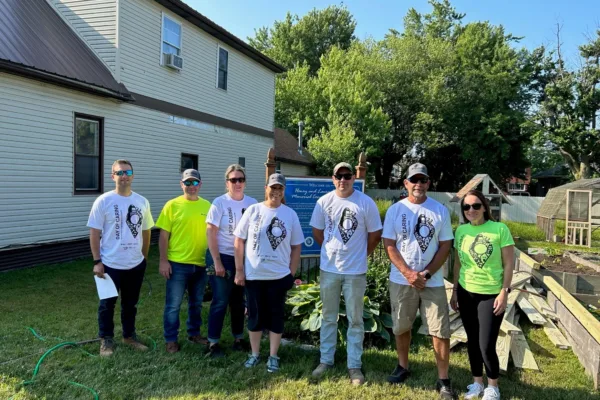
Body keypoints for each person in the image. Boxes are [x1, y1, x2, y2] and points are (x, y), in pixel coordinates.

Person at [382, 163, 455, 399]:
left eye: (423, 180)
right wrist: (408, 273)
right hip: (402, 280)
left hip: (431, 281)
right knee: (402, 326)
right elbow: (389, 244)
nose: (419, 185)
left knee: (440, 330)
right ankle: (403, 366)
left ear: (429, 183)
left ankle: (443, 379)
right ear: (406, 184)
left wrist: (426, 273)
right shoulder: (396, 210)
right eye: (414, 180)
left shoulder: (439, 210)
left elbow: (446, 245)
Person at [310, 162, 382, 386]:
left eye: (347, 175)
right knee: (329, 317)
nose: (343, 180)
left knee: (356, 320)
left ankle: (354, 365)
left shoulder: (365, 202)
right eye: (338, 176)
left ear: (353, 178)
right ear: (333, 179)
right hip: (329, 269)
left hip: (355, 272)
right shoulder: (324, 202)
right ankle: (326, 360)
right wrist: (330, 249)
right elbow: (317, 232)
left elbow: (375, 233)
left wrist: (363, 254)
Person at [233, 173, 304, 373]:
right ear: (266, 188)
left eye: (280, 188)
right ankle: (255, 354)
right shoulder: (254, 210)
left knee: (275, 316)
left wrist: (291, 272)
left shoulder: (290, 214)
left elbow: (296, 246)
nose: (276, 191)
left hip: (279, 277)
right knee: (254, 316)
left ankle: (273, 355)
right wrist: (240, 271)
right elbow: (239, 240)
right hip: (254, 275)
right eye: (273, 187)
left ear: (284, 191)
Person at [450, 190, 514, 400]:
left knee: (486, 343)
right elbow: (458, 263)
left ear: (484, 207)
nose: (471, 210)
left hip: (491, 294)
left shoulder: (499, 229)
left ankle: (492, 386)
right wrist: (455, 292)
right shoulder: (461, 232)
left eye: (476, 206)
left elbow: (508, 263)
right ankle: (477, 382)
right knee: (472, 340)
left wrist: (504, 291)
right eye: (466, 207)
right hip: (467, 292)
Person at [88, 159, 154, 357]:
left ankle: (129, 336)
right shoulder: (104, 201)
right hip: (109, 264)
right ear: (113, 176)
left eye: (127, 172)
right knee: (107, 304)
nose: (124, 176)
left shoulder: (142, 201)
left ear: (133, 175)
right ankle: (106, 340)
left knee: (130, 304)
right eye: (119, 173)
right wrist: (97, 261)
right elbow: (94, 232)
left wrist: (143, 257)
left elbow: (146, 231)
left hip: (135, 263)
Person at [156, 169, 211, 353]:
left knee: (196, 303)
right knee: (173, 305)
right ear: (181, 184)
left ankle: (194, 333)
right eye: (187, 183)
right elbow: (163, 236)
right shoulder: (172, 205)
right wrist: (163, 261)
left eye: (195, 183)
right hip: (177, 264)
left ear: (200, 185)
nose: (191, 186)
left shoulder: (208, 206)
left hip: (201, 264)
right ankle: (171, 339)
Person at [205, 164, 257, 357]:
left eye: (240, 179)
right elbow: (211, 233)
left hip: (243, 258)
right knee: (220, 300)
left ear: (245, 182)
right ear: (227, 183)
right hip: (222, 256)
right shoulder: (219, 203)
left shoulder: (252, 204)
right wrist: (217, 261)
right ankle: (213, 343)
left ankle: (238, 338)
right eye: (233, 180)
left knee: (238, 300)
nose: (237, 183)